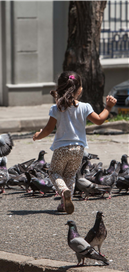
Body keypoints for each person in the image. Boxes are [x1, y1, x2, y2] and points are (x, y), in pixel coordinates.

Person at [33, 71, 117, 214]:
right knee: (70, 175)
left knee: (54, 172)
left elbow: (48, 129)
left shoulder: (56, 108)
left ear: (60, 87)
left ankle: (63, 190)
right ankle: (65, 204)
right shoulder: (85, 107)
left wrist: (37, 135)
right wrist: (108, 107)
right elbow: (99, 120)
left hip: (61, 148)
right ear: (79, 89)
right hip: (79, 149)